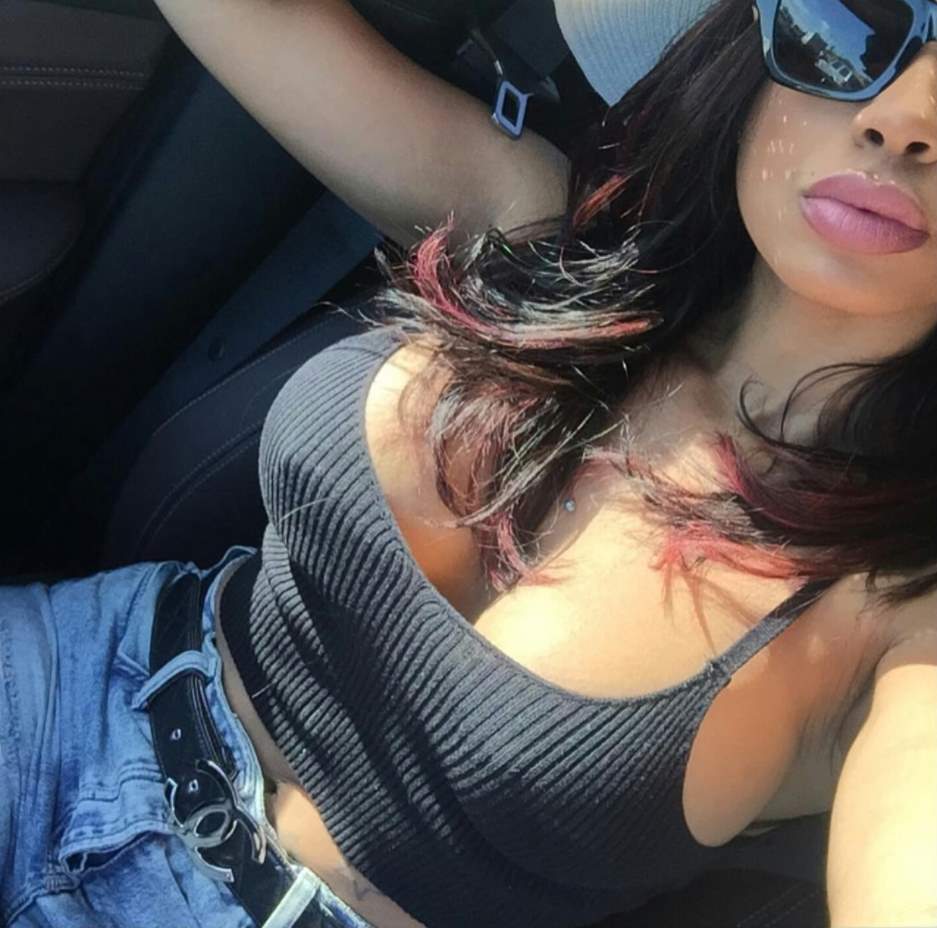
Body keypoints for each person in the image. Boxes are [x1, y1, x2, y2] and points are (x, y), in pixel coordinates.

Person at [2, 1, 937, 926]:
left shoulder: (903, 607)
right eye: (856, 22)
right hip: (72, 673)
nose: (903, 118)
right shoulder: (545, 234)